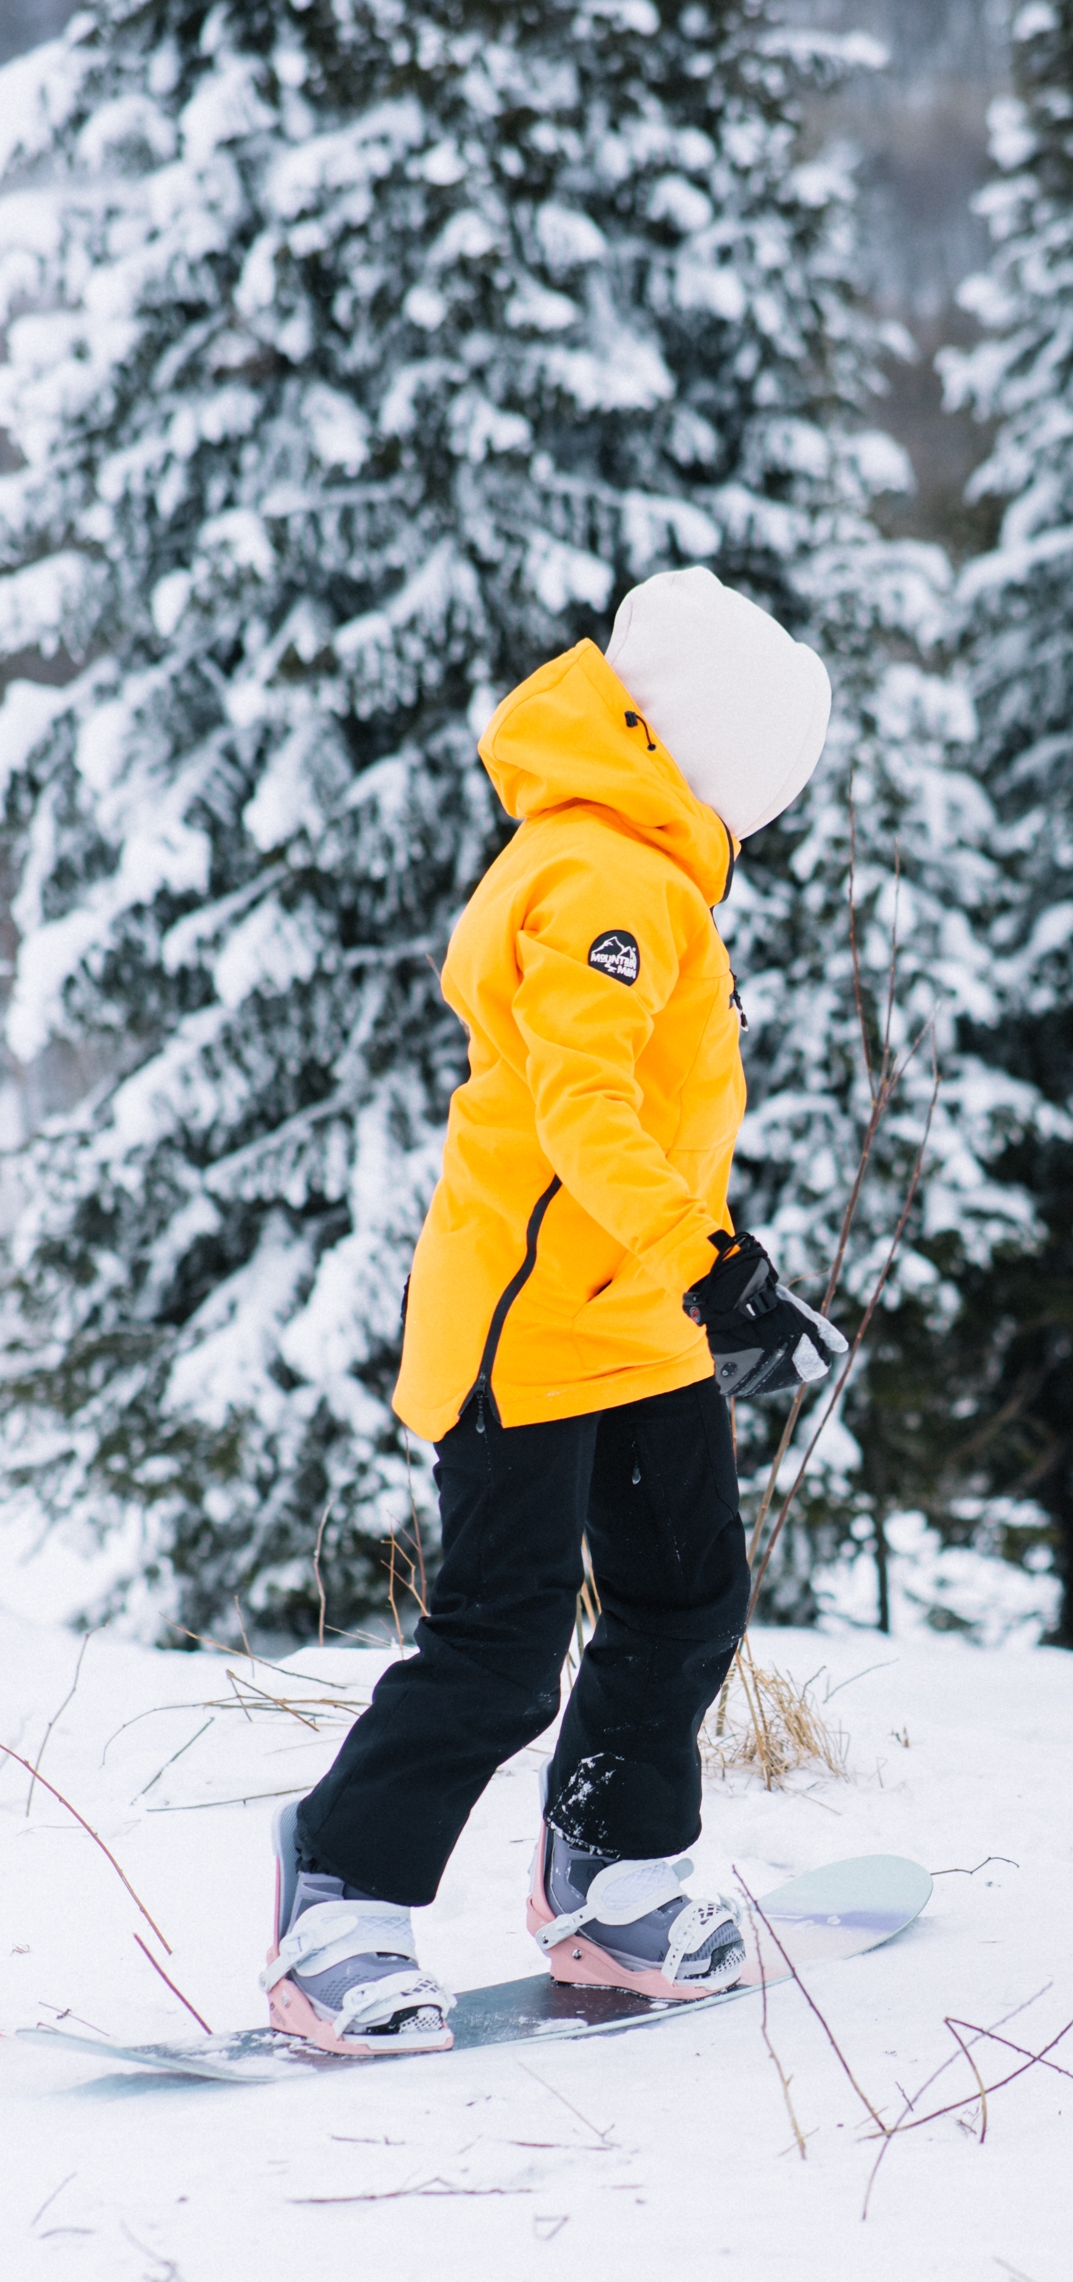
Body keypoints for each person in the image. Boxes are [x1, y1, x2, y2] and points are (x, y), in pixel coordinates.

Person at [261, 569, 847, 2055]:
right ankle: (339, 1903)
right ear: (712, 746)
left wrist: (710, 1267)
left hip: (631, 1319)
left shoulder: (642, 869)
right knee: (502, 1645)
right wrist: (710, 1258)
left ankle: (619, 1882)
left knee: (684, 1599)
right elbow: (582, 1107)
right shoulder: (600, 876)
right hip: (531, 1328)